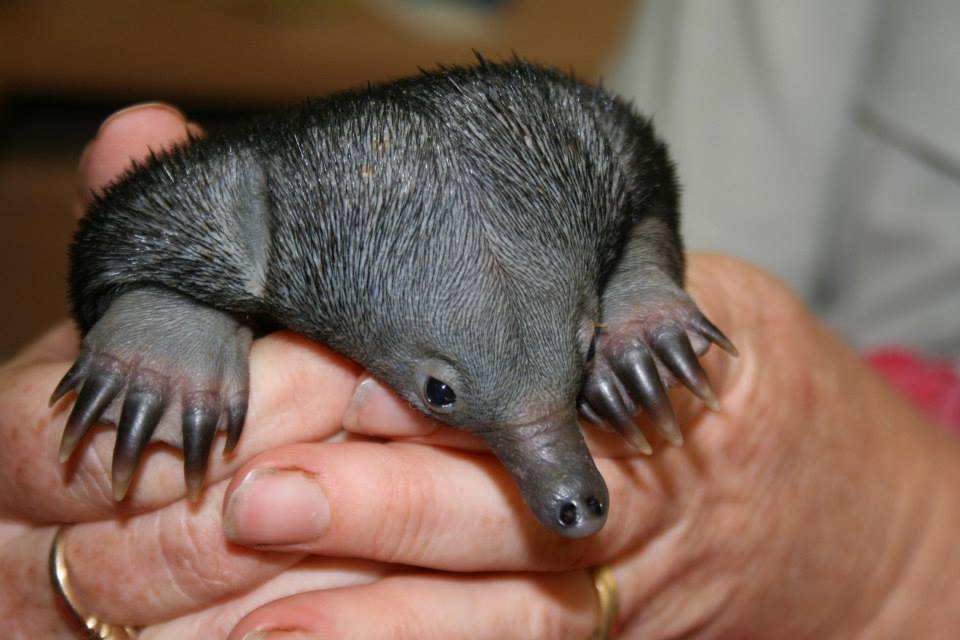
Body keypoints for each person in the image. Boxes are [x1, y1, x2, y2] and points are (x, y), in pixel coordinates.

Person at [3, 102, 959, 639]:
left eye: (579, 344)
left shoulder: (571, 169)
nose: (566, 483)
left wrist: (636, 294)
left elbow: (631, 188)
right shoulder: (236, 217)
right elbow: (131, 244)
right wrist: (159, 317)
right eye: (443, 396)